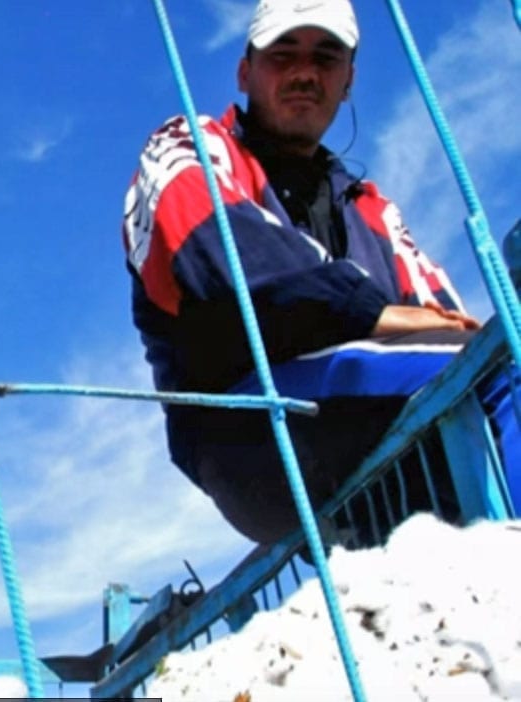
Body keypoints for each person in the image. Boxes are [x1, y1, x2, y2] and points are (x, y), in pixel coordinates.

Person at [122, 0, 485, 544]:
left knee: (491, 367)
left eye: (325, 57)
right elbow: (215, 253)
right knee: (493, 379)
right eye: (283, 55)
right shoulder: (187, 147)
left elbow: (449, 323)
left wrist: (427, 329)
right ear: (245, 71)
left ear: (349, 81)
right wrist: (374, 313)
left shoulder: (372, 211)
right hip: (245, 427)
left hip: (381, 425)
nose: (304, 73)